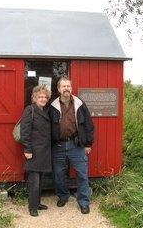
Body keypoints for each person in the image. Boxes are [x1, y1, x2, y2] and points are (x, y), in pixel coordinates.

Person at [49, 76, 94, 214]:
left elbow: (89, 125)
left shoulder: (80, 104)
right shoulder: (52, 105)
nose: (66, 89)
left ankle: (84, 202)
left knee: (82, 174)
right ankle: (63, 196)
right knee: (59, 174)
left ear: (71, 88)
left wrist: (88, 144)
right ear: (58, 89)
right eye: (63, 86)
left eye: (68, 86)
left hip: (77, 145)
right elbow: (46, 126)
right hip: (59, 145)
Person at [20, 85, 52, 217]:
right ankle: (32, 207)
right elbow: (24, 131)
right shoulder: (30, 110)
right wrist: (27, 149)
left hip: (43, 151)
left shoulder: (44, 111)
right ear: (34, 98)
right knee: (34, 180)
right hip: (33, 151)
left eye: (45, 97)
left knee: (41, 178)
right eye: (40, 97)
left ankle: (37, 203)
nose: (43, 99)